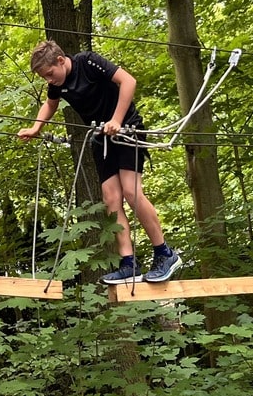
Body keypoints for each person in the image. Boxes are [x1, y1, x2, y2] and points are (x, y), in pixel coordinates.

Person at [17, 39, 181, 284]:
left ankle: (165, 253)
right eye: (45, 78)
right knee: (111, 198)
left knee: (131, 191)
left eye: (50, 74)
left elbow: (128, 81)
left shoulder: (88, 61)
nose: (49, 80)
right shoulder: (57, 84)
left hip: (127, 130)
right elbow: (50, 104)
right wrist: (36, 127)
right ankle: (129, 263)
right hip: (101, 138)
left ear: (61, 60)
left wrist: (116, 119)